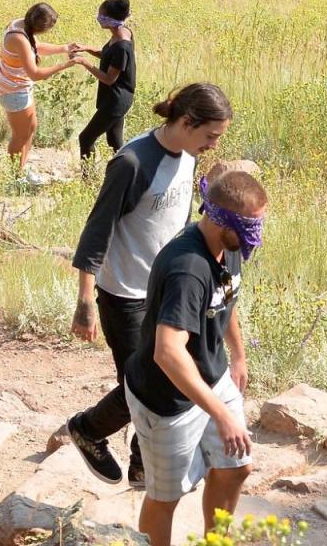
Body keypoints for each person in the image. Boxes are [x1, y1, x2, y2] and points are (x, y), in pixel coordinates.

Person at [64, 83, 234, 490]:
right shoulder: (133, 162)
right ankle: (89, 431)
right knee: (142, 383)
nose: (213, 145)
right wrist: (86, 298)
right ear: (187, 122)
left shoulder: (189, 155)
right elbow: (97, 229)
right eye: (210, 135)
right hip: (125, 294)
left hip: (165, 289)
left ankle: (141, 464)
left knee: (158, 379)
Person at [124, 167, 266, 546]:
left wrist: (238, 355)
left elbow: (226, 298)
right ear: (224, 221)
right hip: (166, 398)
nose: (256, 236)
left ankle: (215, 543)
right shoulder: (188, 268)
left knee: (236, 467)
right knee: (165, 496)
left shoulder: (226, 246)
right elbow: (167, 352)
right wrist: (220, 415)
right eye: (250, 226)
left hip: (211, 377)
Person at [0, 2, 81, 183]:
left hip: (19, 86)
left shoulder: (21, 25)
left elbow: (36, 47)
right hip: (13, 90)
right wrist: (65, 64)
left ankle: (22, 168)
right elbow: (35, 74)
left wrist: (64, 48)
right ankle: (15, 177)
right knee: (21, 135)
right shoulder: (19, 38)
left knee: (30, 128)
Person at [72, 0, 136, 159]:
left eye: (101, 16)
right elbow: (108, 56)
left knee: (86, 138)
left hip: (115, 100)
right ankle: (124, 173)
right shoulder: (121, 33)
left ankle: (88, 179)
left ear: (111, 20)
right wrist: (86, 49)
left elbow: (109, 79)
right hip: (116, 98)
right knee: (114, 140)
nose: (98, 18)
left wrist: (83, 61)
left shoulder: (122, 45)